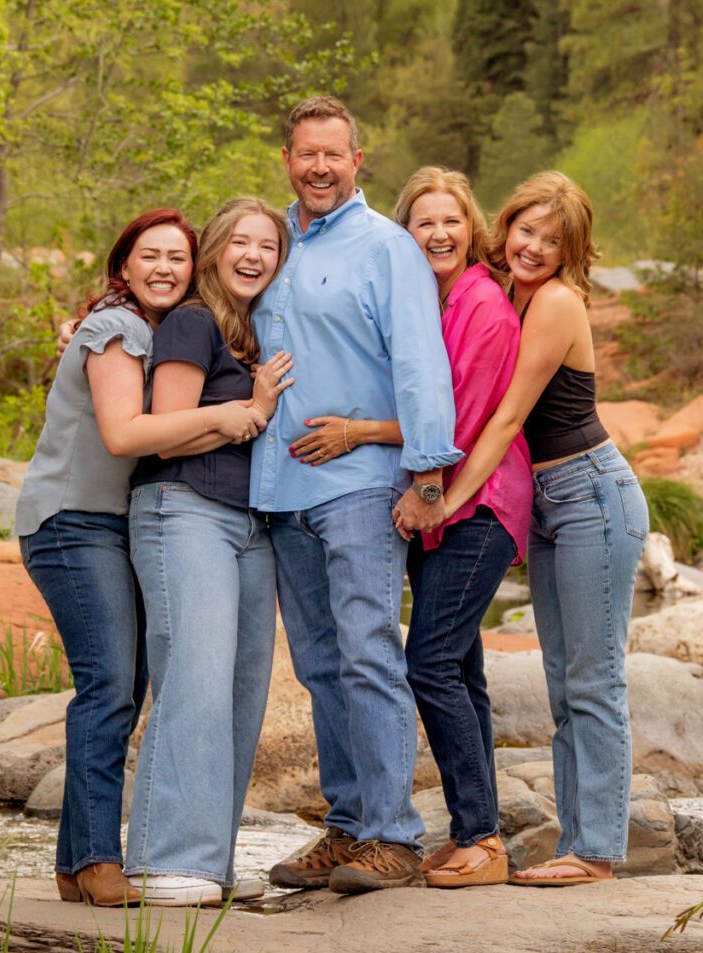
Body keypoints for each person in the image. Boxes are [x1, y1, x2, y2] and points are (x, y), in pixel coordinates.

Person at [16, 208, 269, 907]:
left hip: (114, 526)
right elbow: (128, 435)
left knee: (122, 690)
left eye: (177, 258)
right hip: (73, 523)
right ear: (122, 266)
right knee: (108, 688)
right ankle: (100, 860)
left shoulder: (152, 330)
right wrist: (231, 414)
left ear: (196, 268)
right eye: (148, 256)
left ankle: (75, 863)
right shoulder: (116, 330)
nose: (164, 267)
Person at [289, 167, 531, 887]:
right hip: (435, 508)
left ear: (472, 228)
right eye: (423, 222)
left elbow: (454, 419)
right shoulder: (425, 295)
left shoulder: (482, 305)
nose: (439, 233)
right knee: (460, 667)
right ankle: (474, 831)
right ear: (404, 234)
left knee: (426, 661)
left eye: (451, 221)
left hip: (478, 504)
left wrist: (360, 432)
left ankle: (481, 838)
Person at [254, 98, 461, 895]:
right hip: (283, 492)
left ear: (357, 160)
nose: (318, 167)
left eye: (332, 155)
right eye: (306, 154)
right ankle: (345, 829)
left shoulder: (386, 248)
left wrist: (427, 474)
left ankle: (395, 836)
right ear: (287, 158)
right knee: (319, 666)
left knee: (369, 650)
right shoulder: (273, 241)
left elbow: (420, 362)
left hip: (360, 490)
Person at [442, 172, 649, 886]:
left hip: (592, 493)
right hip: (551, 503)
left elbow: (506, 415)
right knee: (563, 683)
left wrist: (449, 501)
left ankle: (594, 853)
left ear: (572, 252)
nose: (533, 246)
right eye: (525, 229)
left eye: (551, 240)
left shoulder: (557, 302)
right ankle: (578, 842)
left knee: (593, 682)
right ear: (507, 225)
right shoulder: (502, 290)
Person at [124, 197, 293, 907]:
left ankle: (210, 864)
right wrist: (250, 412)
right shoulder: (193, 323)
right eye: (241, 242)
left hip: (251, 525)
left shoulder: (255, 333)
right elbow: (163, 431)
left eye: (269, 246)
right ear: (217, 248)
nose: (254, 255)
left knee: (242, 691)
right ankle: (165, 860)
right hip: (183, 508)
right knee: (193, 679)